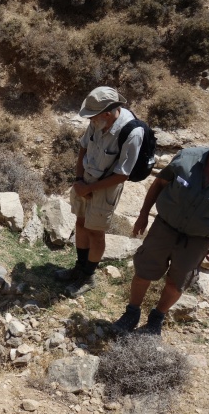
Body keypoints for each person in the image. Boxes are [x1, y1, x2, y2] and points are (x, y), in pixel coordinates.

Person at [112, 121, 209, 336]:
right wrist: (143, 215)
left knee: (177, 284)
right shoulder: (186, 158)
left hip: (197, 241)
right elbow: (159, 184)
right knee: (143, 273)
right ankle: (131, 312)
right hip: (163, 229)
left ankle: (156, 318)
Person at [57, 86, 144, 296]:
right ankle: (78, 268)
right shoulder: (98, 121)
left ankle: (88, 277)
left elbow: (123, 174)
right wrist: (79, 181)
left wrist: (90, 189)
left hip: (106, 189)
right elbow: (83, 147)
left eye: (93, 115)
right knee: (80, 222)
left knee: (96, 232)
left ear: (107, 112)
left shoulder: (132, 133)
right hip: (85, 180)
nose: (90, 119)